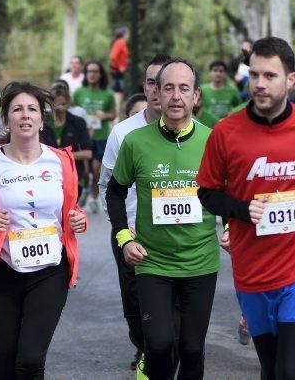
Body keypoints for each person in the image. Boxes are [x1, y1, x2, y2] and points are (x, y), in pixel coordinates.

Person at [197, 37, 295, 380]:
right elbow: (207, 192)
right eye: (254, 75)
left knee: (288, 369)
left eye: (270, 75)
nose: (259, 84)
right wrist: (241, 209)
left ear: (291, 80)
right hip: (252, 271)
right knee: (270, 369)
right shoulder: (226, 132)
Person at [0, 82, 87, 379]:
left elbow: (71, 208)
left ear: (42, 120)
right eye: (17, 109)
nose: (25, 115)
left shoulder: (61, 161)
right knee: (1, 366)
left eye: (32, 109)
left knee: (30, 360)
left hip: (49, 272)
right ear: (6, 119)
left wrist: (78, 219)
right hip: (0, 273)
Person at [106, 58, 219, 379]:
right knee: (158, 344)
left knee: (193, 348)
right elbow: (114, 193)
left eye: (184, 88)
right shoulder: (135, 142)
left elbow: (227, 193)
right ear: (156, 92)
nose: (175, 96)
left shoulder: (213, 141)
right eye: (168, 87)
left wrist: (228, 227)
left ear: (196, 96)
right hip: (153, 263)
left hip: (200, 263)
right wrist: (124, 237)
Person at [99, 54, 169, 371]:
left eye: (164, 83)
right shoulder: (122, 133)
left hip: (175, 233)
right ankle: (144, 348)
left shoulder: (195, 132)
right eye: (152, 82)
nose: (158, 90)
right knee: (134, 300)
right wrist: (122, 230)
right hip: (132, 234)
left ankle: (162, 350)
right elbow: (107, 187)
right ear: (145, 86)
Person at [73, 61, 116, 214]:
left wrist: (104, 115)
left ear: (100, 74)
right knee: (84, 169)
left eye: (95, 71)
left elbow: (113, 115)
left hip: (101, 136)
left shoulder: (108, 94)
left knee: (96, 169)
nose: (92, 74)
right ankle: (84, 188)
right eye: (89, 71)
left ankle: (92, 197)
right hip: (83, 135)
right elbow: (72, 111)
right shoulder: (79, 92)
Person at [41, 83, 92, 202]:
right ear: (50, 104)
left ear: (69, 103)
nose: (60, 108)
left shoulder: (78, 122)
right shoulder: (40, 122)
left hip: (73, 175)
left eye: (63, 103)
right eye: (56, 104)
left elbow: (88, 153)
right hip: (46, 175)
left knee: (69, 212)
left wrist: (62, 155)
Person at [200, 60, 241, 125]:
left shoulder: (232, 90)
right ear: (210, 72)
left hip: (226, 126)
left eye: (221, 71)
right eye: (215, 70)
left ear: (225, 73)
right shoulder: (202, 90)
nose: (218, 74)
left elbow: (240, 108)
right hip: (207, 127)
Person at [110, 27, 130, 110]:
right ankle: (116, 111)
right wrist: (120, 66)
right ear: (124, 34)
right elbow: (113, 56)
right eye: (128, 34)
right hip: (117, 71)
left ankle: (117, 111)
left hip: (119, 72)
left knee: (120, 91)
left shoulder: (122, 43)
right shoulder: (120, 42)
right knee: (118, 92)